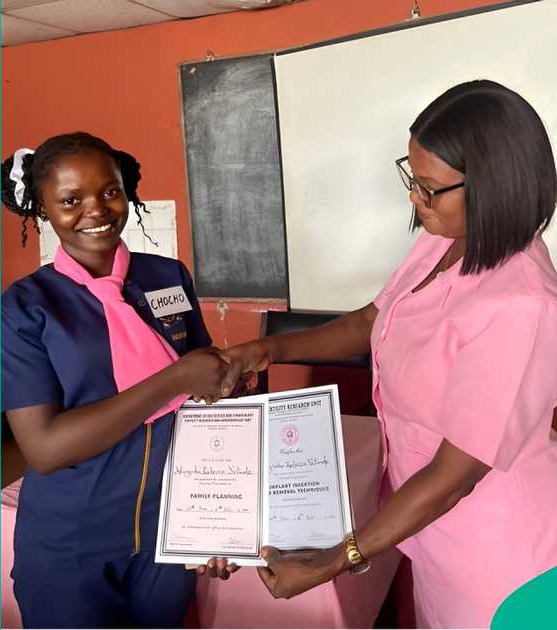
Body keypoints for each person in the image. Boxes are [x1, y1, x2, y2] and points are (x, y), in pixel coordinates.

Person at [219, 80, 557, 628]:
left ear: (493, 187)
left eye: (429, 188)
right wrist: (265, 349)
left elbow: (452, 476)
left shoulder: (524, 305)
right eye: (412, 178)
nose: (413, 198)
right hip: (434, 541)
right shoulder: (444, 240)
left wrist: (335, 560)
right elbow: (370, 321)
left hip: (503, 565)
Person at [0, 132, 234, 628]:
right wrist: (174, 379)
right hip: (71, 542)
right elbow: (43, 447)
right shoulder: (25, 308)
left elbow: (209, 397)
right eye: (70, 200)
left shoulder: (166, 276)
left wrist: (224, 519)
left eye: (110, 191)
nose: (97, 210)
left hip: (168, 531)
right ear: (42, 210)